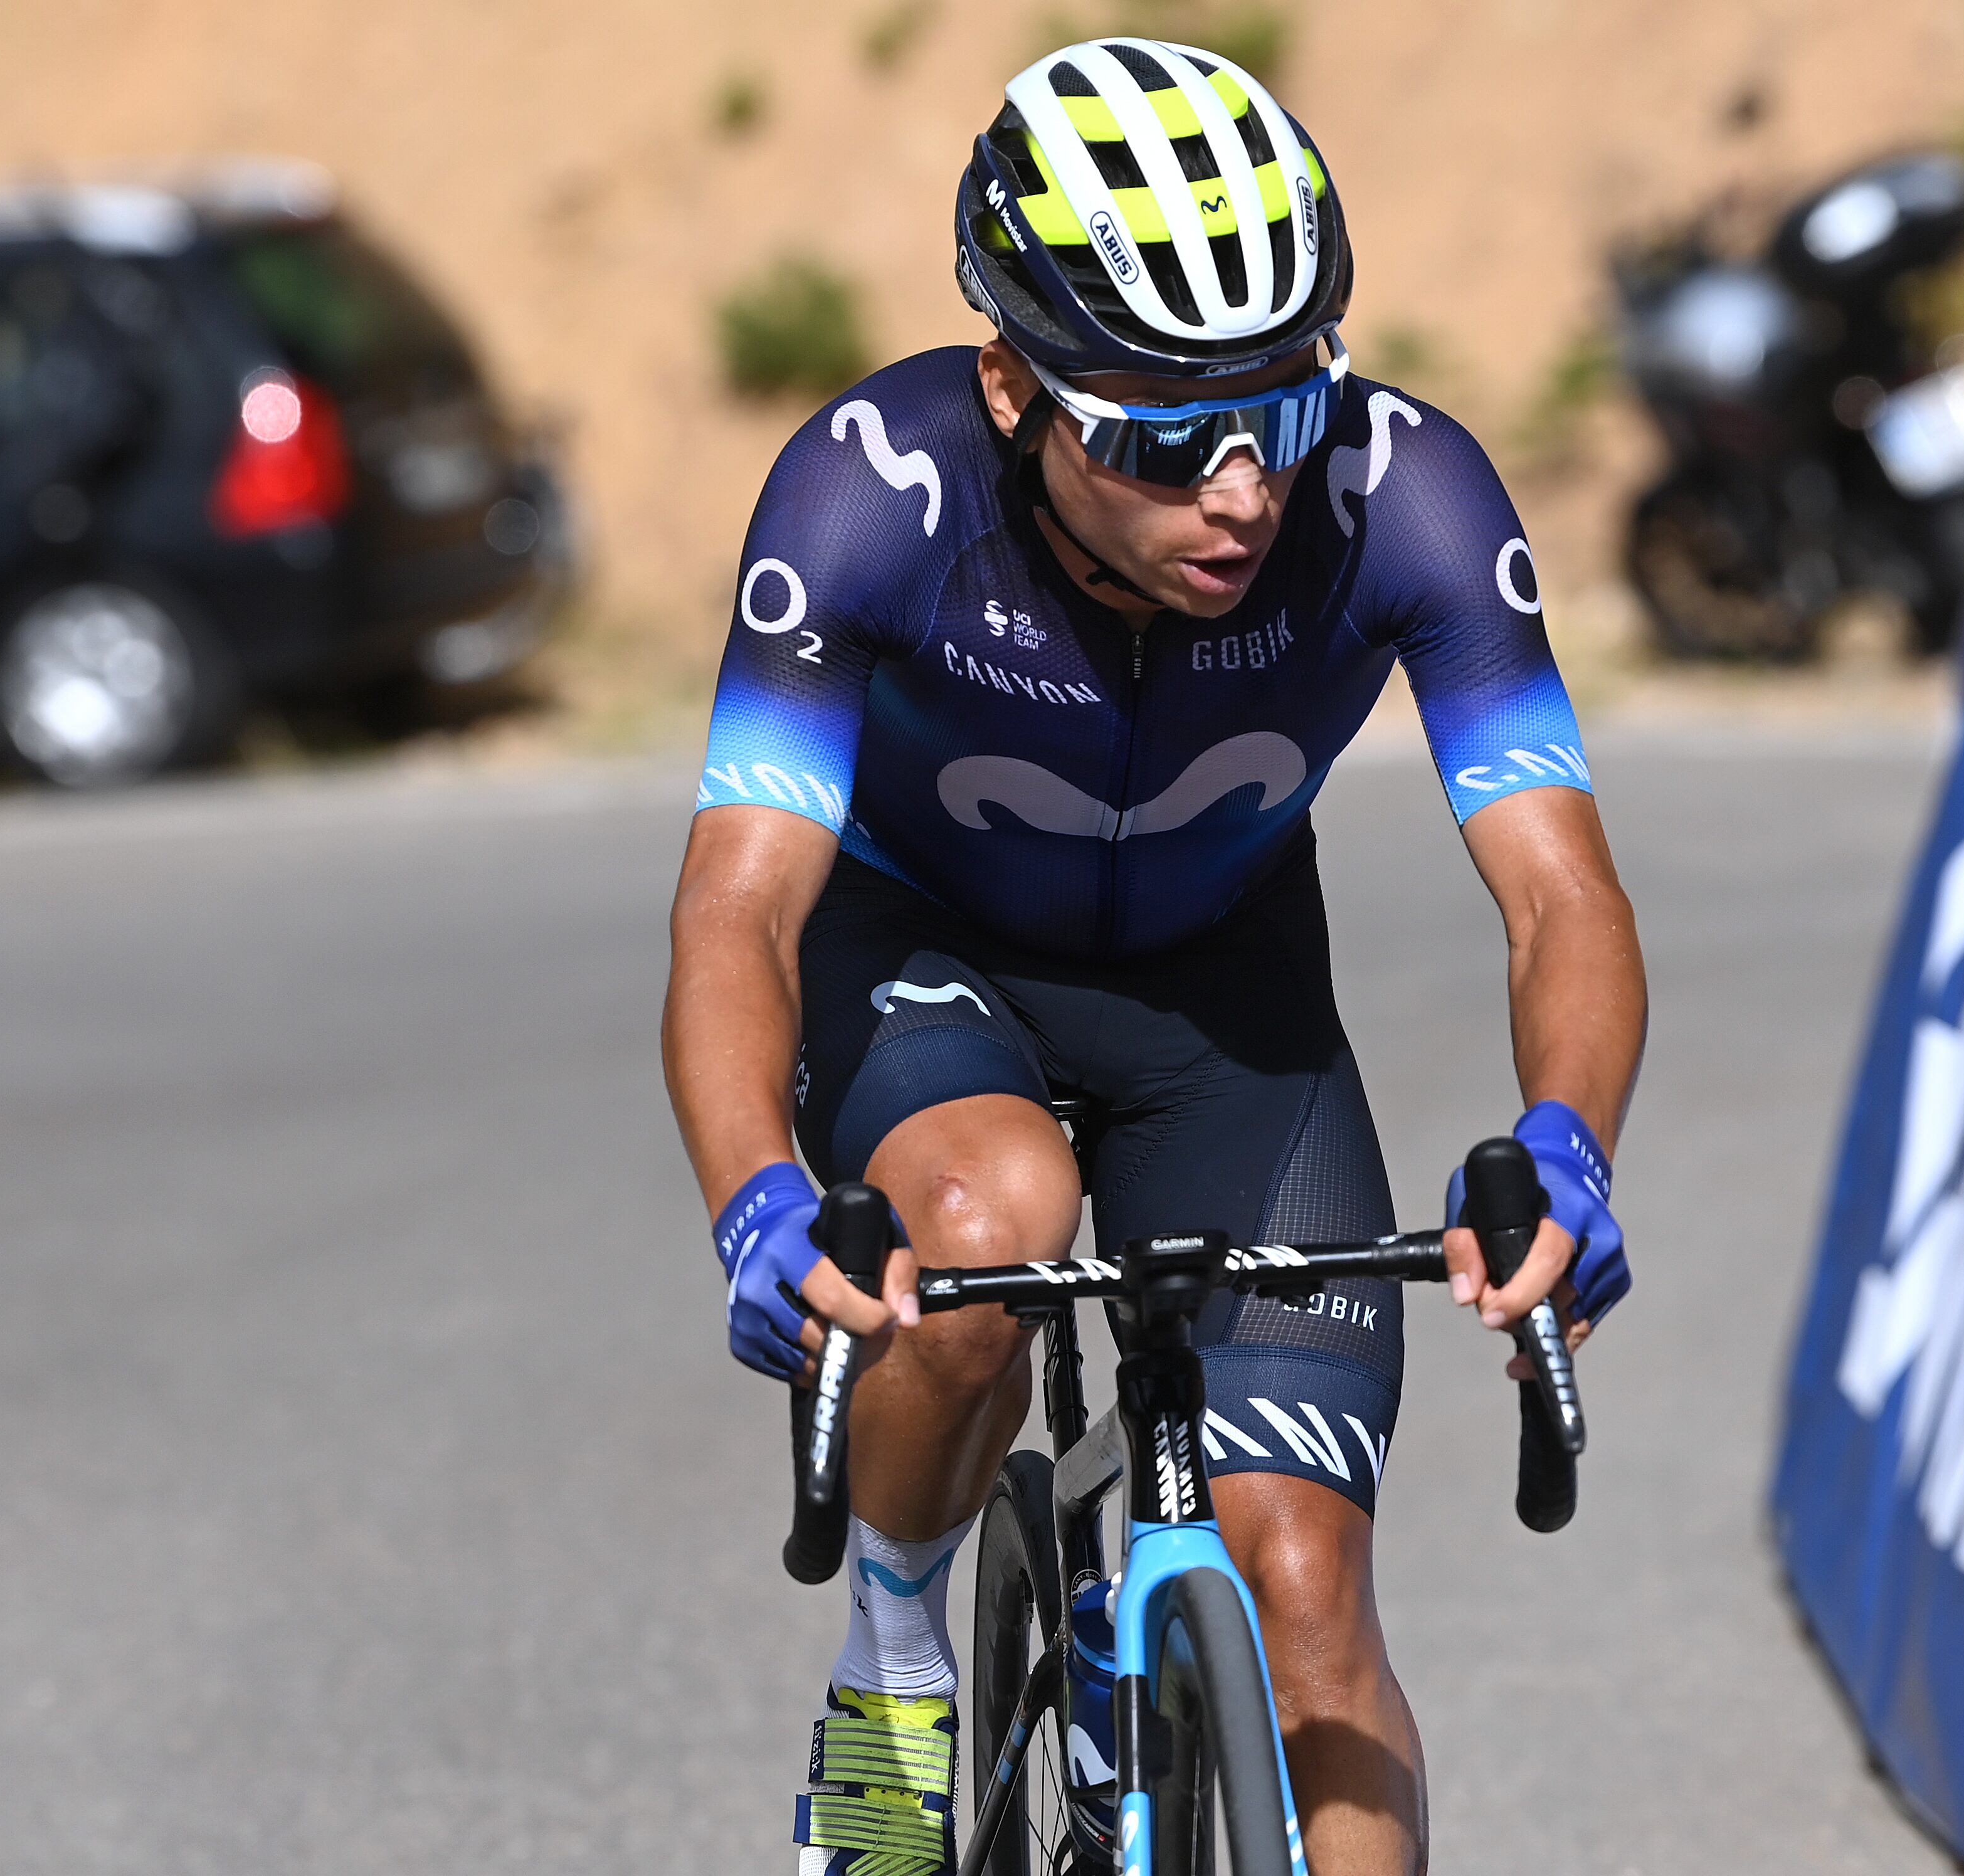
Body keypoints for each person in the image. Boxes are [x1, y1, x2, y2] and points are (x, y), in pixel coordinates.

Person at [660, 37, 1647, 1876]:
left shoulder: (1406, 493)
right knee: (985, 1224)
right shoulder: (869, 494)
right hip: (924, 953)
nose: (1240, 495)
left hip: (1222, 994)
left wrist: (1569, 1145)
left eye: (1277, 415)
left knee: (1309, 1604)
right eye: (1162, 438)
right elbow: (739, 906)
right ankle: (893, 1670)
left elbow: (1559, 890)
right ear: (1010, 394)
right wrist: (757, 1196)